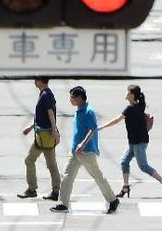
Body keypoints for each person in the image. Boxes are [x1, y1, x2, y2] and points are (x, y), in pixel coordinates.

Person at [50, 86, 120, 214]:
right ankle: (63, 204)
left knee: (98, 177)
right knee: (67, 176)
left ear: (79, 98)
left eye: (72, 97)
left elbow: (92, 129)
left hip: (86, 151)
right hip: (75, 151)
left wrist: (82, 144)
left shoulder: (88, 111)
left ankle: (113, 200)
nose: (70, 100)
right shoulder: (79, 110)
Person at [98, 84, 162, 197]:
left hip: (139, 142)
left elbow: (117, 120)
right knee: (124, 161)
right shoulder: (139, 105)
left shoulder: (130, 109)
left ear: (132, 95)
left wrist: (102, 127)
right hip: (134, 141)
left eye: (127, 92)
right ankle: (126, 186)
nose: (126, 94)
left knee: (143, 166)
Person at [18, 77, 61, 201]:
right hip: (45, 134)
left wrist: (54, 129)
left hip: (44, 135)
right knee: (52, 164)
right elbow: (42, 115)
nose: (34, 82)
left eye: (36, 79)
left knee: (29, 160)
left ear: (41, 81)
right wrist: (31, 127)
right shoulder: (45, 94)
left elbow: (50, 113)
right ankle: (56, 191)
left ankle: (32, 189)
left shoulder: (46, 95)